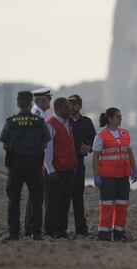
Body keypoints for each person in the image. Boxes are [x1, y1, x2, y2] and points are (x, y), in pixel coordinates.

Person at [0, 91, 51, 240]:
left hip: (15, 164)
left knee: (14, 199)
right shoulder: (39, 121)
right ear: (30, 103)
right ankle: (36, 233)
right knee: (36, 198)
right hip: (34, 163)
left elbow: (5, 145)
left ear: (17, 103)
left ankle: (13, 233)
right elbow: (45, 143)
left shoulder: (11, 121)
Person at [92, 107, 137, 241]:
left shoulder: (125, 133)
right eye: (118, 117)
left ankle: (119, 233)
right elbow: (95, 156)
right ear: (110, 119)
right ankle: (104, 233)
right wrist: (96, 175)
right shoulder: (100, 136)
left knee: (122, 204)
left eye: (121, 116)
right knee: (107, 205)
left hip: (123, 175)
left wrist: (134, 169)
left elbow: (130, 153)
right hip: (108, 176)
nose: (120, 118)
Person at [44, 97, 77, 239]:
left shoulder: (67, 123)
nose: (69, 109)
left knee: (64, 202)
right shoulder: (51, 124)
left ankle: (61, 230)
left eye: (69, 107)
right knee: (52, 202)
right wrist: (51, 170)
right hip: (56, 171)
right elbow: (47, 150)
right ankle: (50, 230)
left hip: (68, 169)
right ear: (57, 108)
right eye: (66, 107)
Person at [24, 87, 52, 236]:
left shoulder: (40, 114)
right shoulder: (36, 115)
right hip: (35, 160)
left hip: (35, 159)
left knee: (34, 196)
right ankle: (32, 228)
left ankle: (30, 227)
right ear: (41, 100)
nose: (50, 102)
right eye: (48, 99)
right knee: (36, 196)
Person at [68, 94, 96, 236]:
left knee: (78, 196)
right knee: (63, 197)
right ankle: (60, 228)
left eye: (75, 104)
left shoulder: (86, 122)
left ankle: (81, 228)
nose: (72, 107)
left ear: (80, 106)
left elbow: (94, 141)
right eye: (70, 104)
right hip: (63, 164)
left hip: (79, 163)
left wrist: (88, 147)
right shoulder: (63, 121)